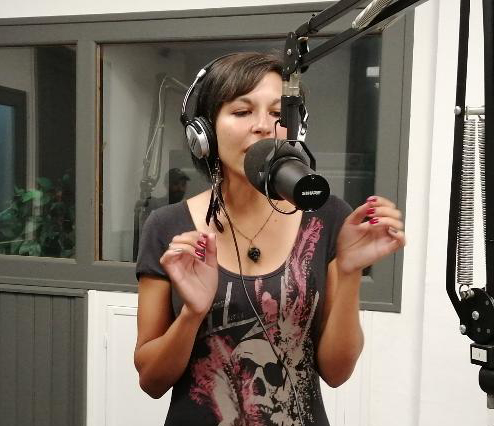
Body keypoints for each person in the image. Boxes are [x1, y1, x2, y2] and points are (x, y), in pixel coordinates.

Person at [134, 52, 405, 426]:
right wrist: (192, 315)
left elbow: (337, 373)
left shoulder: (327, 216)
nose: (263, 126)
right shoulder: (167, 226)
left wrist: (349, 272)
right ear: (204, 132)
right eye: (242, 111)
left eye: (279, 114)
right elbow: (151, 381)